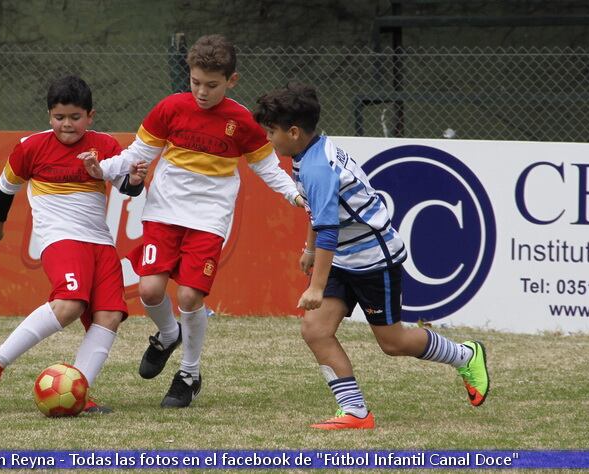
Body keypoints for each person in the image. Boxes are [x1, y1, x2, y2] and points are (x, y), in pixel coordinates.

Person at [81, 34, 303, 408]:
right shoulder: (170, 108)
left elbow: (268, 167)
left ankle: (189, 372)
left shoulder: (242, 121)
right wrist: (100, 169)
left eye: (212, 85)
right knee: (150, 291)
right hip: (163, 212)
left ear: (231, 81)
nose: (201, 92)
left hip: (209, 218)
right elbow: (138, 154)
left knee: (188, 295)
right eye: (195, 82)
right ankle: (168, 335)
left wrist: (294, 194)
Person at [252, 83, 490, 430]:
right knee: (315, 330)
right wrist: (308, 248)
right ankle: (356, 413)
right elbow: (318, 211)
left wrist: (317, 286)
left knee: (392, 343)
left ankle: (466, 356)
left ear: (293, 131)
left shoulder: (318, 167)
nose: (268, 139)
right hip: (344, 258)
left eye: (271, 132)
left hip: (373, 260)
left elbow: (329, 229)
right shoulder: (308, 153)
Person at [0, 75, 148, 413]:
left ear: (90, 116)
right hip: (61, 238)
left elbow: (127, 186)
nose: (67, 125)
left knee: (108, 316)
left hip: (100, 242)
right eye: (59, 117)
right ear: (49, 116)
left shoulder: (104, 145)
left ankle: (78, 392)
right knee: (70, 304)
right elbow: (7, 187)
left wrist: (135, 181)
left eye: (75, 117)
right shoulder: (30, 147)